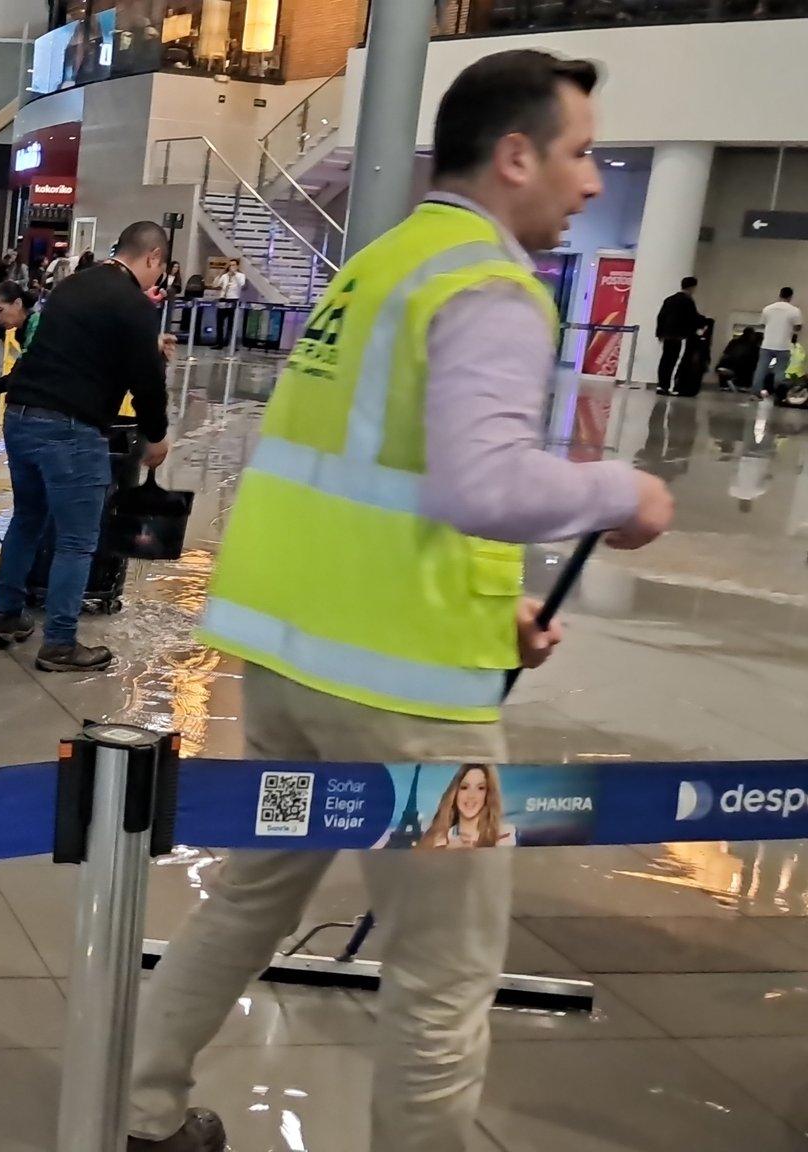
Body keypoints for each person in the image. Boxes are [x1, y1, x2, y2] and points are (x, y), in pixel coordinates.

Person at [122, 50, 675, 1152]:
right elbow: (486, 483)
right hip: (407, 709)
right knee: (445, 970)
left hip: (293, 667)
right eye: (579, 152)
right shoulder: (489, 286)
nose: (593, 180)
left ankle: (139, 1108)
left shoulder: (382, 266)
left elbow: (384, 485)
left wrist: (489, 616)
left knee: (250, 902)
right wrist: (625, 491)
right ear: (516, 156)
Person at [0, 221, 170, 671]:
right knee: (76, 540)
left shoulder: (71, 286)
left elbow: (74, 350)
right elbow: (145, 378)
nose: (157, 279)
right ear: (152, 258)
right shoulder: (132, 303)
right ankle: (61, 644)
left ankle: (7, 617)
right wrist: (156, 433)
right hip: (70, 428)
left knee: (28, 520)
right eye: (159, 269)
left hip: (21, 416)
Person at [421, 765, 518, 849]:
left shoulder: (504, 835)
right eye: (464, 787)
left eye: (480, 788)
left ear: (488, 794)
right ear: (455, 793)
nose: (471, 795)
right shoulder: (437, 841)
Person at [655, 275, 701, 394]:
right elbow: (692, 319)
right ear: (692, 287)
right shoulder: (688, 301)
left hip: (667, 335)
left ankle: (661, 385)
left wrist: (660, 333)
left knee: (665, 359)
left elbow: (661, 316)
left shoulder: (669, 299)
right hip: (679, 335)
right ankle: (671, 386)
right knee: (675, 360)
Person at [754, 286, 801, 398]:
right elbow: (798, 327)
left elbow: (762, 324)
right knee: (780, 371)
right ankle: (778, 394)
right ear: (790, 296)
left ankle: (756, 392)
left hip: (767, 344)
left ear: (779, 295)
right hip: (783, 346)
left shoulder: (767, 308)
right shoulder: (794, 310)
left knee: (761, 369)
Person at [0, 280, 40, 375]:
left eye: (0, 310)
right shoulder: (22, 330)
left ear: (18, 304)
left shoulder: (37, 326)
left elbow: (25, 369)